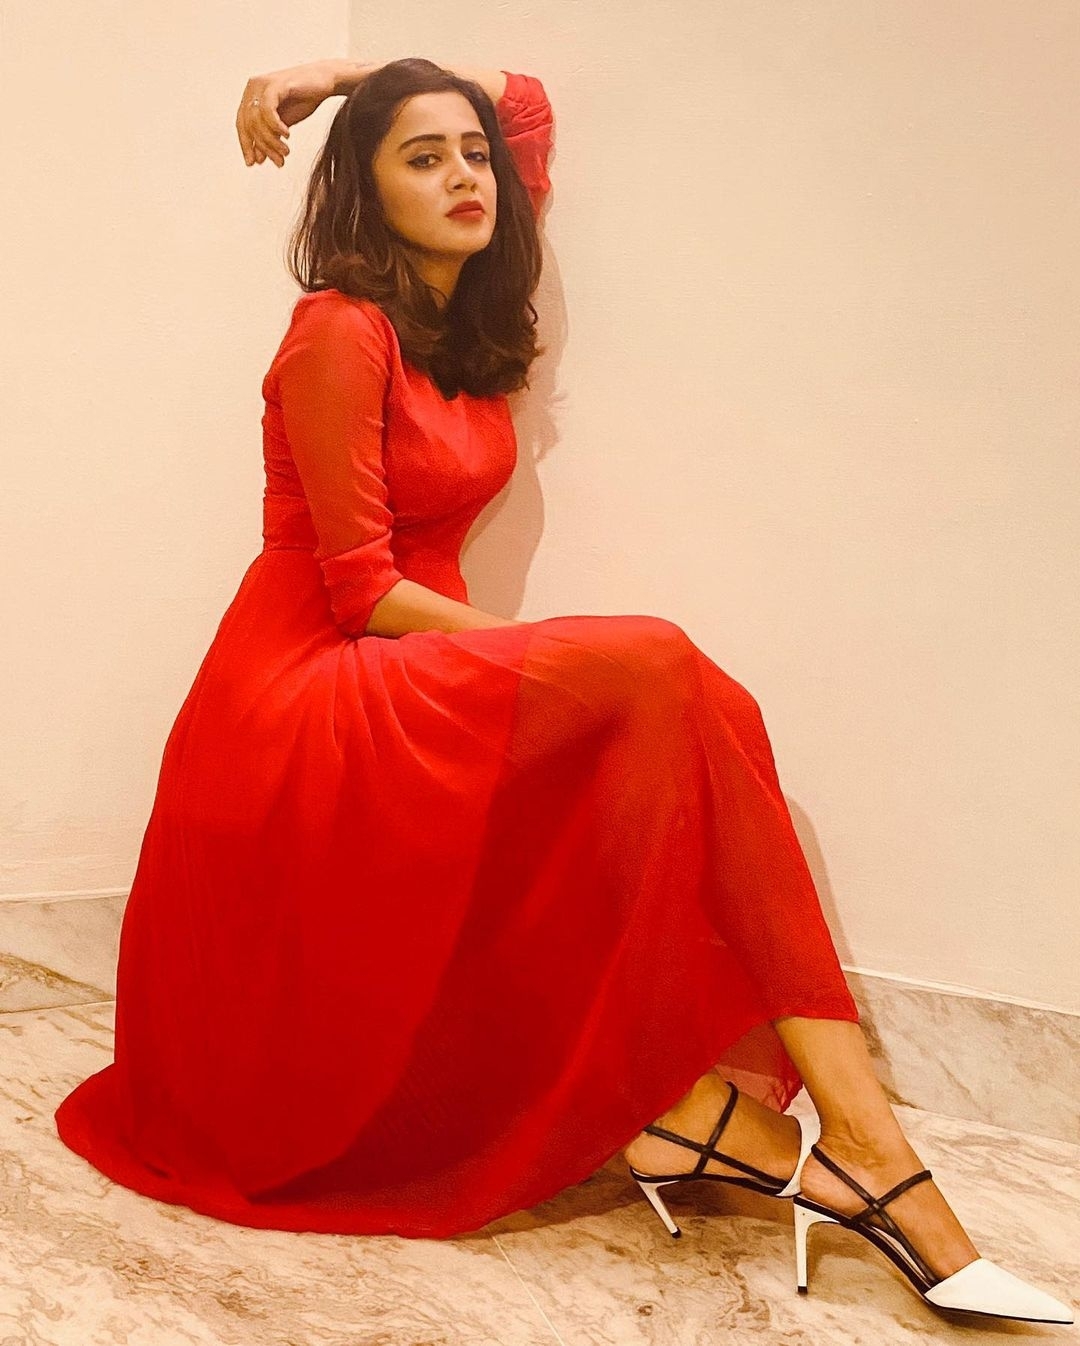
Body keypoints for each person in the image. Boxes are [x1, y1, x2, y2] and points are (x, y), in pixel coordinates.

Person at [54, 55, 1071, 1326]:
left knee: (705, 702)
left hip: (400, 653)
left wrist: (342, 75)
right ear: (367, 190)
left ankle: (740, 1124)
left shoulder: (464, 312)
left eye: (471, 155)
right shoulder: (339, 328)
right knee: (651, 665)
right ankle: (850, 1152)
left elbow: (523, 101)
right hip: (307, 676)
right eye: (421, 156)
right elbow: (359, 588)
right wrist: (537, 656)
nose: (466, 175)